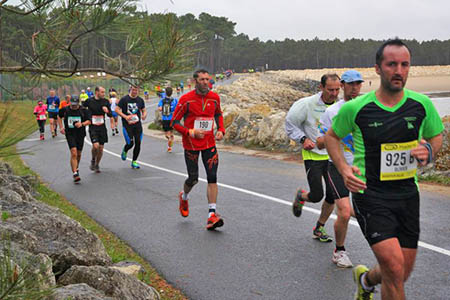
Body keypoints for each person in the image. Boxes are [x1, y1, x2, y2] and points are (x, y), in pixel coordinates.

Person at [325, 39, 444, 300]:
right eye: (392, 64)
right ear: (378, 69)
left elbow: (436, 136)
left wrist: (429, 151)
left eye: (404, 64)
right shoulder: (357, 108)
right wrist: (344, 169)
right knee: (394, 266)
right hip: (371, 195)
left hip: (407, 194)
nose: (399, 70)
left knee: (400, 272)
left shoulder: (421, 104)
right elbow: (332, 137)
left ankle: (366, 279)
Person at [316, 70, 364, 268]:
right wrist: (324, 140)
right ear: (343, 86)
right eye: (350, 84)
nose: (354, 88)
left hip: (361, 168)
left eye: (358, 84)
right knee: (344, 212)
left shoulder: (367, 109)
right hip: (337, 167)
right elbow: (321, 140)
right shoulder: (332, 112)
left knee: (369, 210)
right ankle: (340, 251)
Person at [285, 73, 340, 242]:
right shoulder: (306, 104)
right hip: (313, 155)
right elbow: (290, 123)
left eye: (338, 89)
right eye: (330, 89)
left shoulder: (341, 107)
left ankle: (319, 227)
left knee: (332, 195)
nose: (334, 93)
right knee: (317, 195)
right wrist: (303, 139)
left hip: (332, 156)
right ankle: (302, 196)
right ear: (321, 87)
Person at [171, 69, 226, 230]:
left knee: (212, 177)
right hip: (191, 145)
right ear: (195, 81)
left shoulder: (214, 98)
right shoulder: (186, 99)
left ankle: (212, 214)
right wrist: (190, 132)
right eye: (202, 79)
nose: (205, 82)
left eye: (207, 79)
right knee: (193, 179)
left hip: (209, 143)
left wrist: (221, 129)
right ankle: (184, 196)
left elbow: (218, 114)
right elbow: (174, 122)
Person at [58, 96, 91, 183]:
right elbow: (59, 116)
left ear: (78, 104)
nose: (73, 107)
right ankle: (75, 173)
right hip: (70, 133)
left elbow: (89, 121)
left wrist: (82, 124)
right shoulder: (65, 110)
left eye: (75, 105)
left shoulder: (83, 110)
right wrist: (61, 127)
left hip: (80, 134)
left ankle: (76, 167)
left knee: (78, 154)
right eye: (72, 105)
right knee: (73, 152)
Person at [116, 85, 147, 169]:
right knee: (130, 143)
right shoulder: (124, 99)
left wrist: (144, 115)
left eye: (136, 90)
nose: (135, 92)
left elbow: (143, 109)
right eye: (133, 90)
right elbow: (117, 109)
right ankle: (125, 150)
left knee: (138, 143)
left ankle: (134, 161)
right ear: (130, 89)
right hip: (127, 125)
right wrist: (125, 117)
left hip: (137, 125)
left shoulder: (140, 100)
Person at [83, 86, 112, 173]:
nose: (104, 94)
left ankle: (97, 164)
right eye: (102, 92)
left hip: (102, 127)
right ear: (97, 92)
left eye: (104, 92)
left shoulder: (105, 102)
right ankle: (92, 159)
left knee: (101, 148)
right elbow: (82, 109)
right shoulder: (89, 101)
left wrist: (107, 111)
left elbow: (111, 115)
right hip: (93, 126)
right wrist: (87, 116)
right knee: (95, 146)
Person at [158, 87, 178, 152]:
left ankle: (169, 139)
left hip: (165, 118)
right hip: (173, 118)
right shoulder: (175, 100)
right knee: (172, 132)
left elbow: (160, 109)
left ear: (165, 92)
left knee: (167, 134)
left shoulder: (162, 100)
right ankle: (170, 147)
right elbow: (178, 109)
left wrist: (164, 108)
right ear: (172, 92)